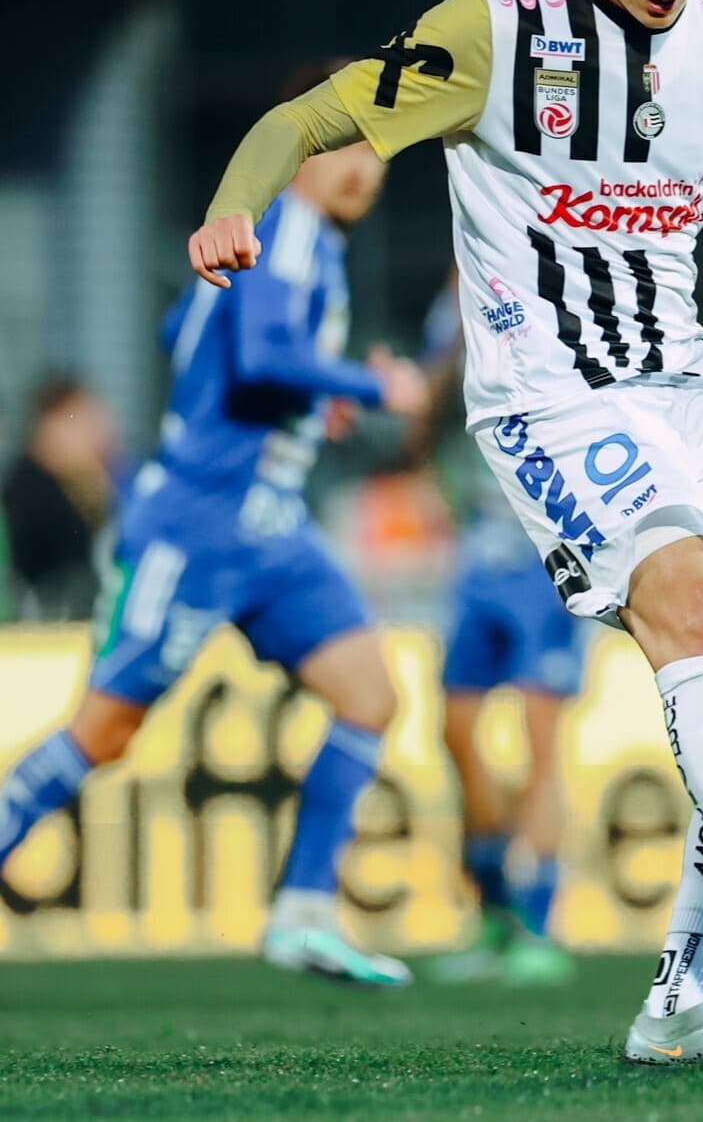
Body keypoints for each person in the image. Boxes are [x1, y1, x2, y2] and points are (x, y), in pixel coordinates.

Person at [187, 0, 703, 1067]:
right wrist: (231, 205)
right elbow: (307, 121)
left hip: (685, 389)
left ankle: (680, 1007)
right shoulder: (495, 32)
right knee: (688, 602)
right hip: (548, 398)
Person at [0, 67, 431, 986]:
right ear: (302, 147)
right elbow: (262, 352)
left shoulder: (292, 238)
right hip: (196, 524)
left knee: (368, 696)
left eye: (379, 151)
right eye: (346, 145)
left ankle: (303, 916)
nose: (364, 168)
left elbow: (183, 331)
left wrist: (304, 405)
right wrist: (368, 384)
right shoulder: (281, 224)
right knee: (104, 732)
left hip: (272, 527)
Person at [410, 270, 588, 988]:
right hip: (480, 556)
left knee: (541, 741)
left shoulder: (559, 282)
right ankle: (493, 910)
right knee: (455, 731)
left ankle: (536, 925)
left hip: (551, 552)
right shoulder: (450, 302)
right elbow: (423, 419)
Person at [1, 378, 120, 619]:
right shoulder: (33, 495)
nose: (95, 435)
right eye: (80, 424)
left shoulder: (68, 486)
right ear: (50, 426)